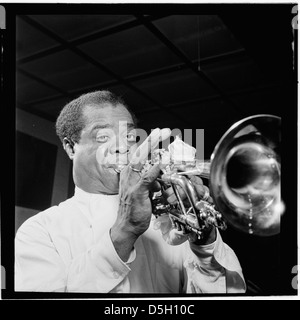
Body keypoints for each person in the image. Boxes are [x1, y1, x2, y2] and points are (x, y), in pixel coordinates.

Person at [15, 90, 246, 293]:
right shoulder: (40, 231)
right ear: (70, 147)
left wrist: (203, 239)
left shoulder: (169, 219)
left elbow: (223, 293)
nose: (123, 146)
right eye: (103, 136)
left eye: (129, 136)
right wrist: (125, 230)